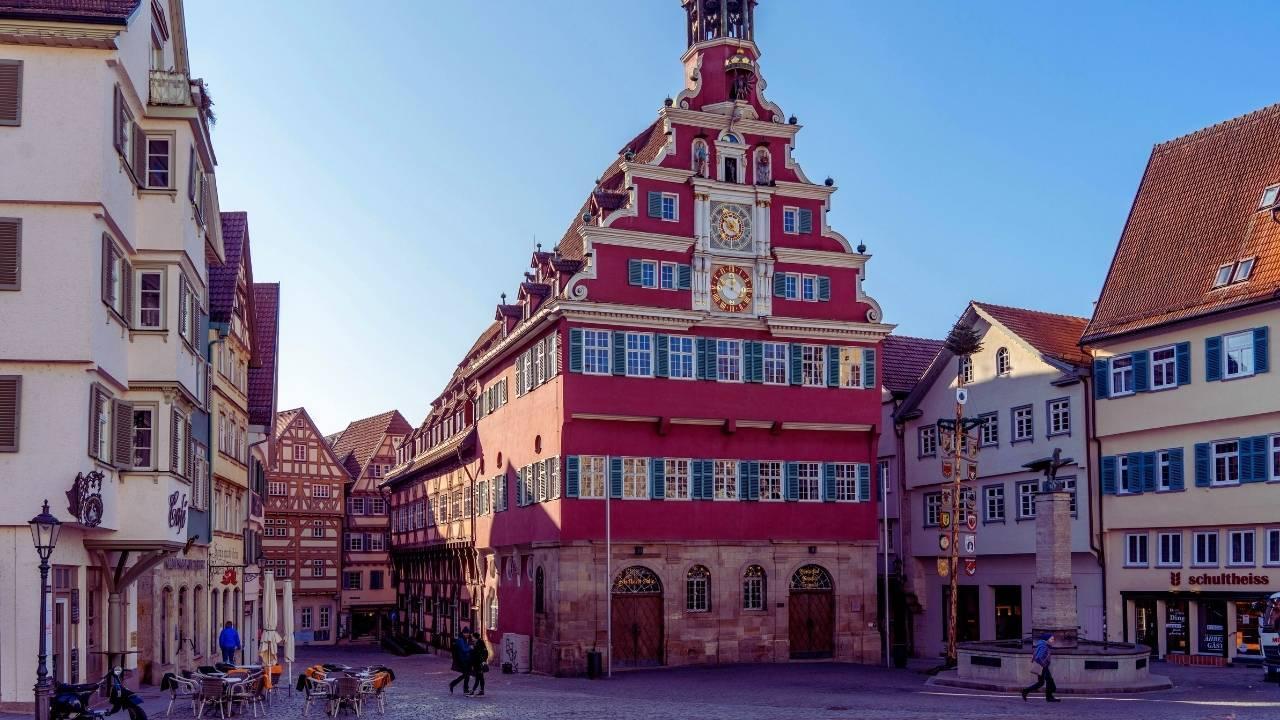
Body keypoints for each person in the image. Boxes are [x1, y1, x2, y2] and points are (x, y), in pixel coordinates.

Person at [1021, 633, 1060, 702]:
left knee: (1041, 682)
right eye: (1052, 639)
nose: (1053, 640)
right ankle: (1049, 697)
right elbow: (1038, 657)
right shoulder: (1044, 646)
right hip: (1043, 666)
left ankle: (1025, 691)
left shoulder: (1042, 645)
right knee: (1049, 681)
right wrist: (1044, 665)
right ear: (1047, 639)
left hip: (1042, 666)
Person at [448, 628, 473, 695]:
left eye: (468, 633)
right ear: (463, 633)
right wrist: (470, 648)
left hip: (466, 660)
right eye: (467, 633)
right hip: (462, 660)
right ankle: (464, 689)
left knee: (466, 675)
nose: (468, 634)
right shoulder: (461, 640)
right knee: (466, 675)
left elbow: (466, 648)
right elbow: (464, 649)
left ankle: (453, 684)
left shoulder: (464, 639)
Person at [468, 633, 489, 697]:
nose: (472, 638)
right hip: (476, 663)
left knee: (478, 677)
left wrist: (484, 661)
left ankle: (473, 691)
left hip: (479, 663)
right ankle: (481, 691)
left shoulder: (480, 643)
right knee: (481, 677)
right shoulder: (476, 642)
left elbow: (485, 652)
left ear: (475, 637)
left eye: (472, 637)